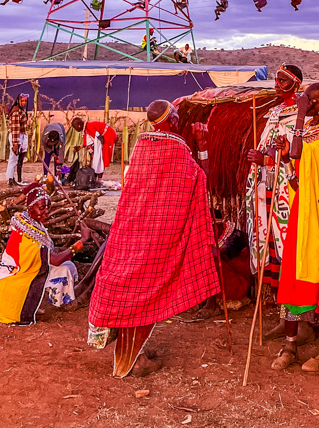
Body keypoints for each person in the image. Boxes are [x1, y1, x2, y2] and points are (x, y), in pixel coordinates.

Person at [87, 100, 220, 376]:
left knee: (131, 287)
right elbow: (201, 183)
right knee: (145, 288)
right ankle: (133, 361)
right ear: (172, 120)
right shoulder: (178, 150)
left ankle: (132, 352)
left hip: (131, 231)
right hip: (160, 234)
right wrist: (203, 147)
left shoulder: (140, 148)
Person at [273, 82, 319, 371]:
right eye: (304, 101)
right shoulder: (310, 130)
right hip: (302, 208)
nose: (306, 105)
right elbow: (296, 166)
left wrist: (299, 119)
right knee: (292, 275)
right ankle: (290, 345)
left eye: (310, 102)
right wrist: (289, 159)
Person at [0, 183, 87, 324]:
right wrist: (82, 241)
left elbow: (51, 254)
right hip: (18, 274)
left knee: (67, 266)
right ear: (30, 208)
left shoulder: (33, 225)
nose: (46, 212)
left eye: (48, 207)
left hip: (31, 268)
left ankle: (61, 302)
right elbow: (55, 260)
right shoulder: (25, 233)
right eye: (42, 208)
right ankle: (31, 307)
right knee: (63, 266)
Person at [245, 64, 304, 296]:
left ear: (296, 84)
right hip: (266, 186)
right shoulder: (274, 112)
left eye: (283, 81)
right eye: (276, 80)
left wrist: (268, 161)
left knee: (286, 243)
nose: (277, 85)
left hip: (287, 190)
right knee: (269, 239)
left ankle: (291, 304)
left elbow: (299, 155)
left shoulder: (303, 116)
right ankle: (277, 301)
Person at [71, 117, 117, 182]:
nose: (75, 129)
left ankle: (99, 179)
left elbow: (97, 135)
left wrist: (97, 146)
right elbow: (87, 141)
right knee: (97, 158)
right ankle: (96, 177)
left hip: (108, 134)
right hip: (102, 138)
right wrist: (81, 147)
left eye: (75, 127)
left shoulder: (89, 126)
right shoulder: (86, 129)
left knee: (101, 158)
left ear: (79, 125)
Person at [6, 93, 30, 187]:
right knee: (13, 158)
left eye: (25, 101)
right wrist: (15, 143)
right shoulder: (16, 112)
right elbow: (15, 129)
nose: (24, 103)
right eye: (22, 101)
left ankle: (12, 178)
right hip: (16, 136)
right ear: (18, 101)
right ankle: (10, 178)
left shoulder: (20, 111)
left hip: (20, 136)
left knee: (15, 159)